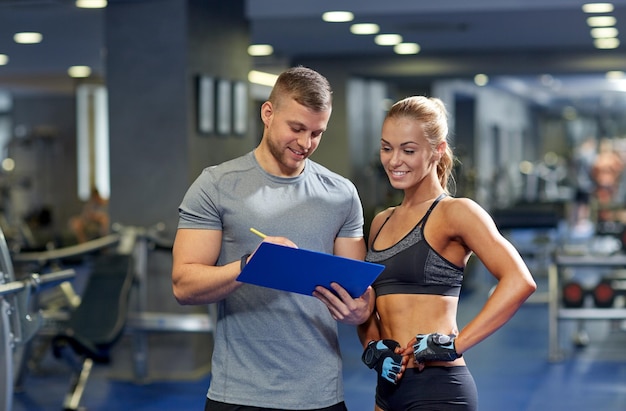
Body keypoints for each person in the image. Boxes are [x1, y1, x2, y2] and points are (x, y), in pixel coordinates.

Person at [172, 66, 374, 411]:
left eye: (316, 133)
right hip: (238, 393)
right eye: (296, 128)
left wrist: (361, 309)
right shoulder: (216, 186)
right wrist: (251, 265)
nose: (305, 143)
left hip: (321, 394)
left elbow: (358, 290)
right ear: (268, 113)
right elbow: (183, 285)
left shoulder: (341, 194)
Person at [357, 96, 537, 411]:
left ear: (438, 150)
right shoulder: (381, 222)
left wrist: (456, 344)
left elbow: (520, 281)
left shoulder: (456, 212)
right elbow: (367, 304)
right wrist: (372, 347)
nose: (394, 160)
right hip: (386, 392)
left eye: (408, 150)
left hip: (438, 389)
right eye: (387, 148)